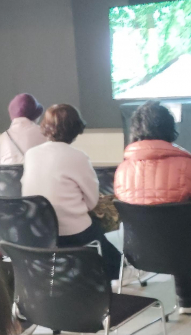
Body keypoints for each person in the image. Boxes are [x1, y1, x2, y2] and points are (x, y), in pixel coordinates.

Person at [114, 100, 191, 312]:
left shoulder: (122, 169)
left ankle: (186, 296)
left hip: (140, 252)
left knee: (169, 227)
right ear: (169, 128)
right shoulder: (185, 165)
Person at [22, 104, 122, 281]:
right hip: (73, 234)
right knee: (111, 253)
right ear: (76, 129)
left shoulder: (30, 154)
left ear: (45, 126)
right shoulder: (78, 156)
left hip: (39, 232)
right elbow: (92, 202)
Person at [0, 93, 47, 165]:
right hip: (33, 175)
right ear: (35, 116)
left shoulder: (2, 138)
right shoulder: (43, 134)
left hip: (6, 176)